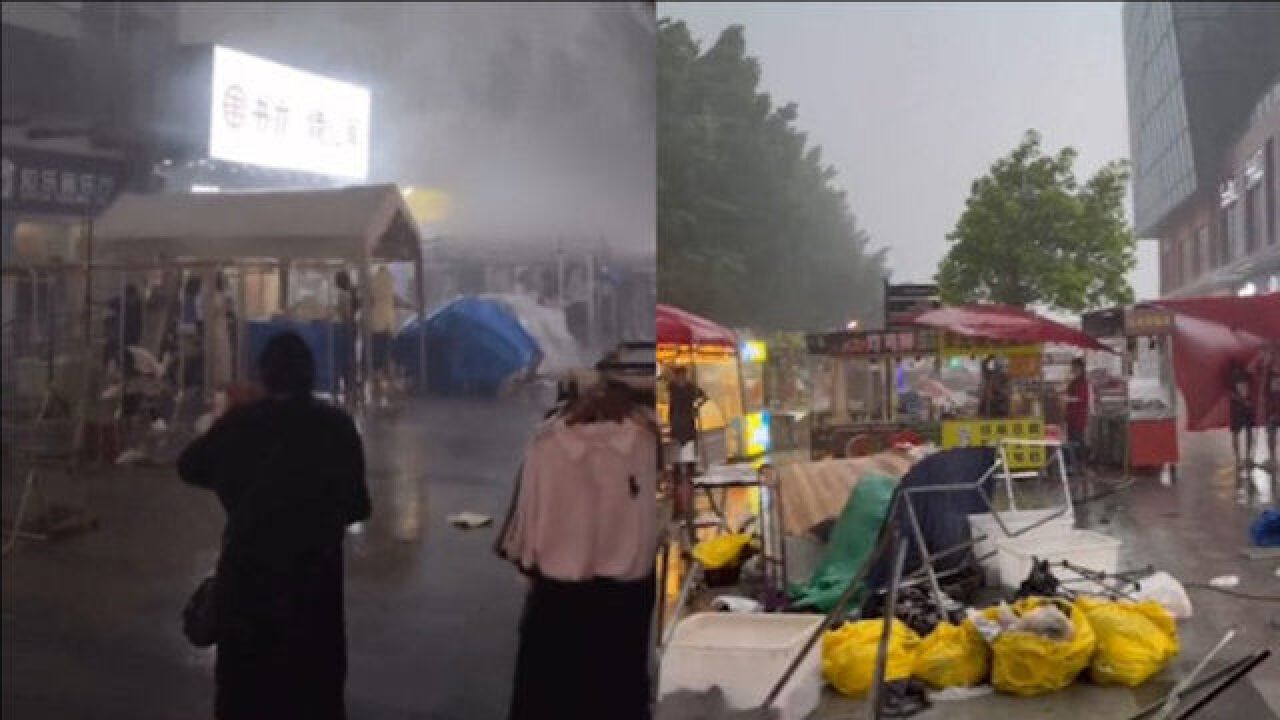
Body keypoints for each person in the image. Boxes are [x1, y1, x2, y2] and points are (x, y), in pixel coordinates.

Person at [178, 332, 370, 720]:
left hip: (248, 585)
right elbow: (357, 507)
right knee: (314, 692)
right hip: (314, 587)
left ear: (265, 376)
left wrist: (230, 417)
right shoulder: (336, 425)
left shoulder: (242, 424)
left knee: (244, 692)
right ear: (310, 375)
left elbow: (190, 466)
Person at [667, 365, 707, 520]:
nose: (680, 378)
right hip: (678, 430)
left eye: (681, 375)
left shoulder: (690, 388)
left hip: (686, 429)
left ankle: (688, 504)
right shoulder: (674, 388)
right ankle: (680, 506)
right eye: (678, 375)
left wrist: (695, 407)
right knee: (677, 468)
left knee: (688, 468)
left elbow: (704, 396)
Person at [1228, 357, 1256, 498]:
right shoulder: (1230, 375)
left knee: (1247, 432)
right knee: (1237, 433)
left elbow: (1253, 387)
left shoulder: (1247, 373)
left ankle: (1245, 457)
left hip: (1245, 408)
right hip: (1238, 409)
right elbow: (1231, 393)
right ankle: (1239, 458)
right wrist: (1244, 401)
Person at [333, 270, 360, 405]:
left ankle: (349, 389)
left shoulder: (343, 295)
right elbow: (350, 313)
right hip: (350, 328)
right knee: (349, 360)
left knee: (345, 360)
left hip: (345, 329)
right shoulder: (349, 293)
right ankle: (351, 389)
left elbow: (345, 313)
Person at [1064, 357, 1091, 474]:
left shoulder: (1082, 382)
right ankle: (1073, 464)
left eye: (1074, 367)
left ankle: (1081, 465)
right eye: (1072, 367)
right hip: (1070, 416)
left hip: (1078, 417)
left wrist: (1067, 399)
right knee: (1072, 440)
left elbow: (1081, 398)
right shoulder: (1074, 382)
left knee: (1078, 440)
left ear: (1080, 368)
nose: (1072, 369)